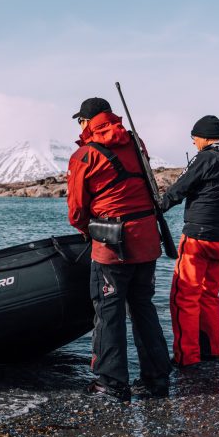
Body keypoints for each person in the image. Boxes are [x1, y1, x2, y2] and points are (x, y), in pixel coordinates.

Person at [67, 97, 171, 403]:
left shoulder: (84, 155)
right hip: (147, 240)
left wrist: (87, 230)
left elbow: (76, 210)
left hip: (111, 245)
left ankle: (111, 383)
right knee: (143, 308)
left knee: (108, 312)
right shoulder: (136, 142)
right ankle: (156, 379)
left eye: (80, 121)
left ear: (87, 122)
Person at [160, 115, 219, 368]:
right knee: (209, 296)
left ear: (204, 137)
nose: (194, 143)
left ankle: (187, 357)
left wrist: (156, 210)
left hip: (197, 238)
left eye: (194, 138)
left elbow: (178, 189)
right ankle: (212, 352)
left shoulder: (207, 157)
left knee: (184, 297)